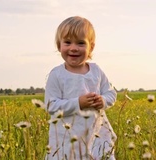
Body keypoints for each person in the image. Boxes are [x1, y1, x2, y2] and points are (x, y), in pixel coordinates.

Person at [44, 16, 117, 160]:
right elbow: (51, 105)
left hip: (95, 133)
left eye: (81, 43)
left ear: (91, 46)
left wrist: (102, 100)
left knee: (99, 155)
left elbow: (111, 93)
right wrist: (78, 103)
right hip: (66, 136)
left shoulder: (96, 71)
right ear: (59, 46)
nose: (74, 48)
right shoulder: (57, 74)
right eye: (67, 42)